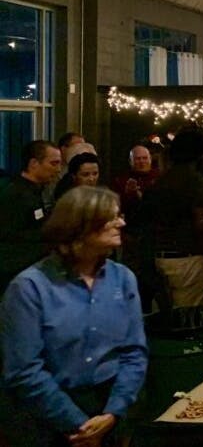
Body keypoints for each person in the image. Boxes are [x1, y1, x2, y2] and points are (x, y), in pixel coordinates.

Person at [0, 186, 147, 447]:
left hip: (109, 408)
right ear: (80, 227)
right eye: (112, 217)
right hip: (47, 419)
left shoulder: (122, 278)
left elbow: (134, 352)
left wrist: (114, 412)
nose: (122, 223)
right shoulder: (29, 288)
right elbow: (24, 371)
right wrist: (80, 427)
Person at [140, 129, 203, 309]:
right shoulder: (196, 183)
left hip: (160, 258)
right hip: (188, 260)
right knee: (190, 319)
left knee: (169, 317)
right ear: (199, 155)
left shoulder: (160, 182)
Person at [0, 141, 61, 294]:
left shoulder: (36, 192)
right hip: (14, 275)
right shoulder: (14, 195)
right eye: (53, 164)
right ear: (34, 163)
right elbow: (10, 238)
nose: (58, 170)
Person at [111, 144, 159, 219]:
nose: (142, 161)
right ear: (130, 161)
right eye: (138, 159)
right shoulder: (121, 180)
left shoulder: (159, 177)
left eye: (145, 158)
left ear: (150, 160)